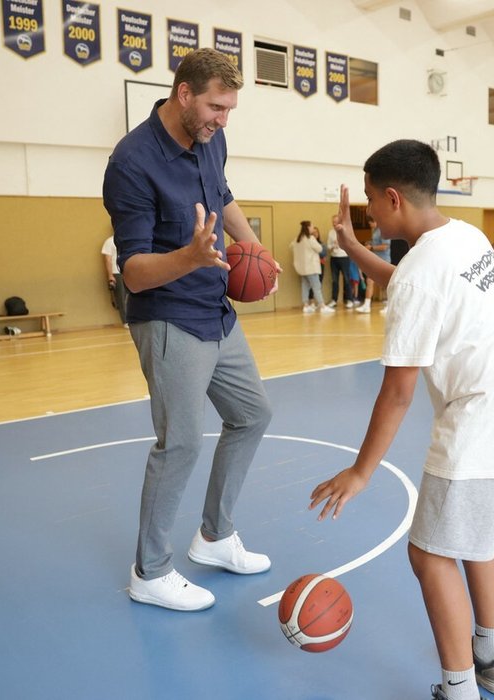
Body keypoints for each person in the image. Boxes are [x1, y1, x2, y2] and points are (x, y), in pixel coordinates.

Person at [309, 140, 494, 700]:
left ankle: (459, 687)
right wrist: (352, 245)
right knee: (478, 540)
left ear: (394, 197)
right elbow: (406, 282)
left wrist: (361, 471)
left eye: (371, 202)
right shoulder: (464, 235)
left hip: (483, 423)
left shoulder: (422, 269)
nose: (369, 213)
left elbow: (397, 393)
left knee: (429, 553)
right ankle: (493, 659)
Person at [102, 48, 277, 612]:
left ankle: (214, 536)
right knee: (179, 442)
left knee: (252, 414)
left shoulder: (210, 140)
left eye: (229, 109)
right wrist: (192, 256)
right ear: (184, 94)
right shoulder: (131, 162)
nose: (223, 119)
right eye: (216, 107)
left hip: (215, 309)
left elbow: (221, 197)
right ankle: (150, 572)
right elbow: (133, 272)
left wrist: (250, 246)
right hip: (168, 316)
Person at [291, 220, 334, 313]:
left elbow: (291, 246)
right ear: (308, 228)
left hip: (302, 268)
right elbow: (319, 249)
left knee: (305, 286)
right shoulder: (310, 238)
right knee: (316, 286)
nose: (313, 229)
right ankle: (322, 305)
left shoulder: (297, 239)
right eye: (311, 227)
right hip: (311, 267)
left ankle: (306, 305)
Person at [356, 216, 390, 313]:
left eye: (371, 223)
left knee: (386, 284)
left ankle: (389, 305)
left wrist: (371, 247)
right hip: (375, 260)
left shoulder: (383, 231)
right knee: (369, 281)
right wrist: (369, 243)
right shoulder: (375, 231)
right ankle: (367, 305)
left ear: (375, 221)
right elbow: (375, 243)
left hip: (383, 260)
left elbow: (385, 246)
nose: (370, 225)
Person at [326, 218, 357, 308]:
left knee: (347, 279)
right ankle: (334, 300)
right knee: (334, 280)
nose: (334, 224)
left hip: (344, 257)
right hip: (334, 258)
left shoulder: (345, 231)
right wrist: (332, 246)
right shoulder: (331, 232)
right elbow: (328, 246)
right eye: (333, 222)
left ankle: (350, 300)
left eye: (335, 222)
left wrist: (341, 242)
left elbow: (350, 243)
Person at [101, 234, 128, 325]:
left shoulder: (126, 239)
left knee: (131, 297)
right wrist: (110, 275)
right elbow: (107, 260)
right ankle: (125, 321)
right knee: (121, 297)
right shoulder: (109, 241)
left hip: (128, 272)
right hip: (117, 272)